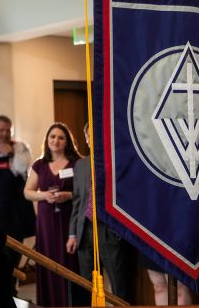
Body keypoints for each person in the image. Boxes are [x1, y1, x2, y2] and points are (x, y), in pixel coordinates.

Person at [66, 124, 133, 303]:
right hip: (84, 231)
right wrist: (72, 234)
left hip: (110, 230)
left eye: (96, 134)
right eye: (89, 135)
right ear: (86, 139)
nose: (92, 138)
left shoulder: (117, 161)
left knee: (119, 285)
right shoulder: (80, 165)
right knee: (86, 284)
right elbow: (78, 201)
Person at [24, 122, 80, 307]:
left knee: (69, 261)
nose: (56, 140)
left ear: (67, 142)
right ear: (47, 140)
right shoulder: (39, 165)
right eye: (52, 137)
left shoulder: (77, 163)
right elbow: (27, 192)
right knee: (48, 260)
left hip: (69, 221)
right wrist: (43, 195)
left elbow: (87, 192)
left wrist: (69, 195)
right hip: (46, 222)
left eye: (61, 137)